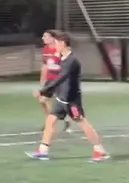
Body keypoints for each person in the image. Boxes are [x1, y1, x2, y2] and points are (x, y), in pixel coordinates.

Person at [27, 31, 108, 162]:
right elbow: (56, 78)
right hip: (61, 98)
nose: (54, 46)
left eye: (56, 43)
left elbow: (60, 78)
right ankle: (43, 151)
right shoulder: (62, 59)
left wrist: (42, 91)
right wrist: (48, 91)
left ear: (63, 43)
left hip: (71, 100)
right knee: (50, 120)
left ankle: (99, 150)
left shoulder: (72, 61)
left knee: (82, 123)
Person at [39, 30, 71, 131]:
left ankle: (66, 119)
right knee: (42, 100)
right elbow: (45, 66)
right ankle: (50, 120)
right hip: (50, 80)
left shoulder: (61, 50)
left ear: (53, 38)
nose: (43, 38)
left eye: (46, 36)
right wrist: (42, 80)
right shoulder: (45, 50)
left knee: (61, 102)